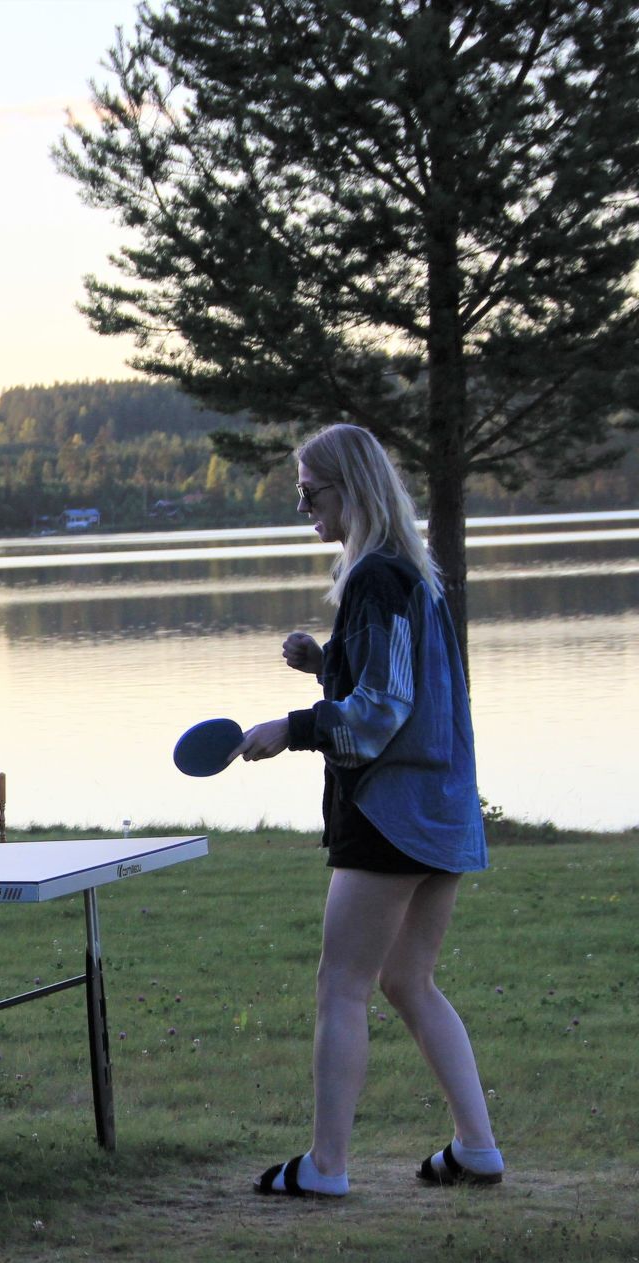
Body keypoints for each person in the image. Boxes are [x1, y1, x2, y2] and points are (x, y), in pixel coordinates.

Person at [235, 424, 503, 1198]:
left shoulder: (376, 579)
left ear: (352, 488)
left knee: (342, 985)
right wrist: (328, 665)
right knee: (408, 980)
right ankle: (477, 1149)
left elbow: (381, 713)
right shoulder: (413, 577)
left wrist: (292, 728)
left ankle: (326, 1166)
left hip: (390, 817)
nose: (301, 506)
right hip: (442, 813)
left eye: (310, 492)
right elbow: (398, 688)